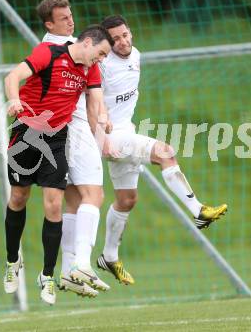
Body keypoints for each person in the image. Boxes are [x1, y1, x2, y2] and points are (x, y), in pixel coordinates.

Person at [95, 15, 228, 284]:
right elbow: (92, 101)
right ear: (106, 43)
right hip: (108, 135)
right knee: (165, 152)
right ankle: (198, 211)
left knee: (126, 200)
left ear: (130, 32)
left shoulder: (137, 56)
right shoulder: (101, 66)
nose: (123, 41)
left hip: (126, 131)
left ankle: (108, 257)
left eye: (125, 35)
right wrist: (102, 137)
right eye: (115, 39)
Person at [2, 23, 114, 306]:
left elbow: (95, 101)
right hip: (26, 132)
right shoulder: (48, 53)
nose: (100, 60)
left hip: (57, 140)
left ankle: (48, 276)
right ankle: (12, 260)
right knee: (18, 196)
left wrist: (101, 121)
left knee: (54, 204)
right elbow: (13, 76)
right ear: (87, 42)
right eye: (100, 53)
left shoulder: (89, 68)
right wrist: (14, 99)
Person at [36, 0, 111, 298]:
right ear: (49, 23)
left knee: (75, 200)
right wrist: (100, 134)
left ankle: (68, 271)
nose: (70, 19)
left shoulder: (64, 45)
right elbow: (93, 99)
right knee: (95, 194)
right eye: (63, 17)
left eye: (71, 14)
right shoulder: (63, 49)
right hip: (74, 128)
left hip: (54, 131)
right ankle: (82, 263)